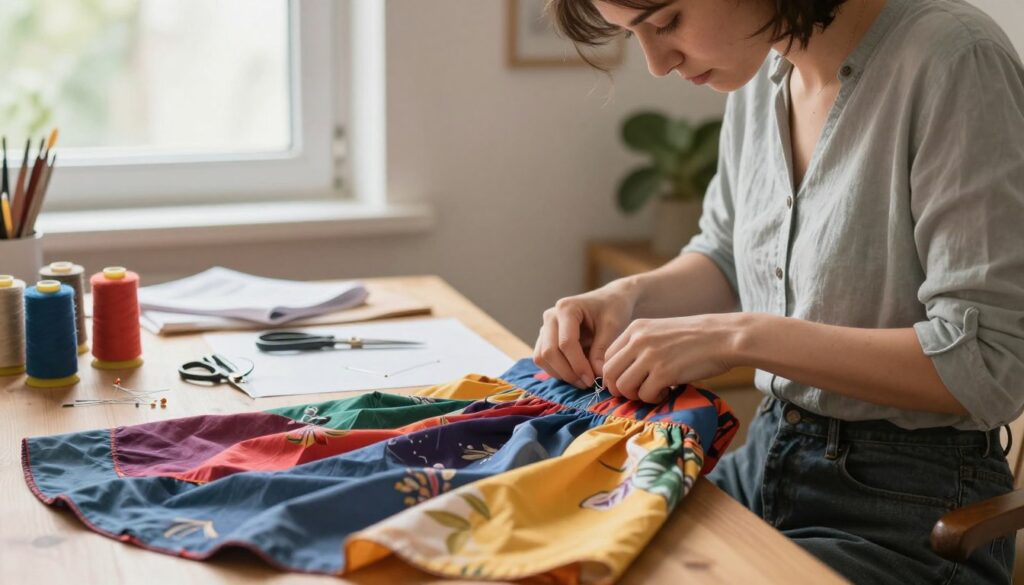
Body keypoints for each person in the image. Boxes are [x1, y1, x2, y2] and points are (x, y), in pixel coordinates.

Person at [534, 0, 1024, 582]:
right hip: (768, 456)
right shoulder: (761, 75)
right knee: (567, 551)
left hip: (910, 507)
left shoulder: (954, 60)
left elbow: (989, 363)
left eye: (666, 23)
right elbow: (725, 258)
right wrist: (625, 297)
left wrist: (744, 337)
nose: (658, 63)